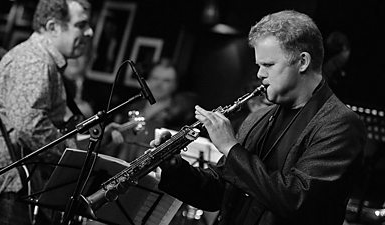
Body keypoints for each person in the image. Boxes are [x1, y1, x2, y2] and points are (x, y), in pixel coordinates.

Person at [154, 10, 367, 225]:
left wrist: (230, 147)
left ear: (302, 62)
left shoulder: (340, 124)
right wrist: (174, 167)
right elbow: (217, 193)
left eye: (268, 65)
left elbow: (295, 200)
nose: (259, 74)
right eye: (259, 65)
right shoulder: (258, 118)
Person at [0, 0, 121, 224]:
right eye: (81, 24)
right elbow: (30, 126)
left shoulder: (40, 60)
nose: (90, 32)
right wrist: (74, 154)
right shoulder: (35, 61)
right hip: (9, 189)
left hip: (14, 187)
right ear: (52, 27)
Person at [112, 58, 196, 162]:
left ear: (175, 85)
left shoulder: (179, 116)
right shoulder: (133, 107)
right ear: (147, 80)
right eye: (155, 78)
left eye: (166, 80)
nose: (159, 84)